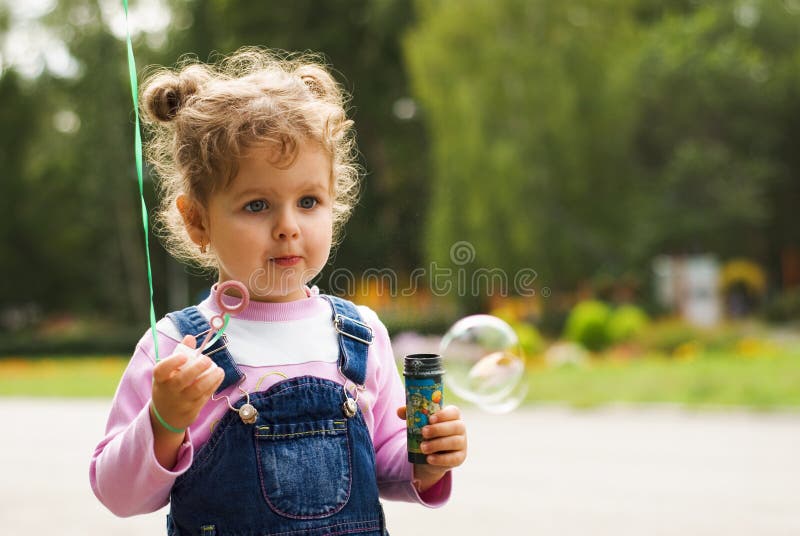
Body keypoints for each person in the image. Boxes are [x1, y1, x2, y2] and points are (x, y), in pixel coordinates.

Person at [90, 47, 467, 535]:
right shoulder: (177, 349)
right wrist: (163, 420)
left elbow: (385, 459)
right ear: (197, 220)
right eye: (257, 205)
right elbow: (117, 494)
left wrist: (429, 459)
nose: (288, 226)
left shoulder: (360, 334)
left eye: (308, 201)